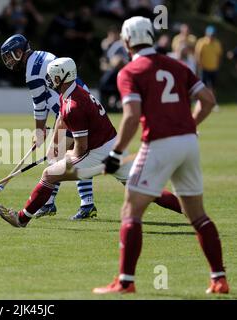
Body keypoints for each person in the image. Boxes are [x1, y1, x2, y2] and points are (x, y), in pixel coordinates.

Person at [93, 16, 228, 294]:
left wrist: (116, 154)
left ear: (127, 40)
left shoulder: (129, 71)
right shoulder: (178, 66)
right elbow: (208, 101)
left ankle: (125, 282)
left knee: (131, 210)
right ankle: (219, 279)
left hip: (159, 145)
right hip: (189, 144)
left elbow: (131, 118)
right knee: (198, 215)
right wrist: (189, 126)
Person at [0, 57, 183, 228]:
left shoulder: (74, 106)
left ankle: (21, 219)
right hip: (113, 146)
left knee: (48, 175)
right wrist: (55, 148)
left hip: (97, 152)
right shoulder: (71, 91)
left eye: (52, 76)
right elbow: (61, 118)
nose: (49, 80)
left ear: (62, 76)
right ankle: (191, 211)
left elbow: (81, 149)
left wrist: (66, 155)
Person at [0, 34, 99, 220]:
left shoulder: (31, 72)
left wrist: (39, 131)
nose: (7, 61)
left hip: (75, 111)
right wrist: (44, 128)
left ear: (19, 52)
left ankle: (63, 204)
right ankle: (74, 204)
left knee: (60, 158)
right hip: (78, 108)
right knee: (65, 158)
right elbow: (48, 97)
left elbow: (39, 104)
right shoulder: (42, 56)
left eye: (8, 56)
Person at [195, 26, 222, 95]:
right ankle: (202, 100)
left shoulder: (217, 43)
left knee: (213, 86)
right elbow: (198, 55)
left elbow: (219, 56)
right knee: (202, 86)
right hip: (203, 68)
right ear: (206, 34)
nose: (212, 36)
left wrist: (217, 65)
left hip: (214, 68)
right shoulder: (201, 42)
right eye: (210, 35)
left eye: (213, 35)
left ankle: (213, 101)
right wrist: (199, 66)